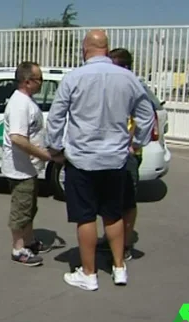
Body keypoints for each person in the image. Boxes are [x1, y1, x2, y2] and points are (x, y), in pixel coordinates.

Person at [46, 30, 155, 290]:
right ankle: (119, 268)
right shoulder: (128, 78)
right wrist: (137, 141)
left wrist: (55, 146)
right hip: (115, 159)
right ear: (106, 49)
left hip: (82, 159)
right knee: (113, 214)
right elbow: (146, 113)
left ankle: (89, 273)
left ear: (85, 49)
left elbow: (56, 117)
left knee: (85, 218)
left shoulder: (74, 78)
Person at [1, 61, 54, 266]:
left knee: (30, 207)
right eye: (39, 79)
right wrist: (44, 155)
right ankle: (18, 249)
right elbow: (17, 138)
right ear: (27, 81)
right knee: (21, 209)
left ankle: (30, 241)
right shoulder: (19, 104)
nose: (41, 83)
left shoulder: (27, 101)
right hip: (19, 169)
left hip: (29, 167)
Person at [96, 48, 146, 261]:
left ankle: (124, 245)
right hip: (109, 152)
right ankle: (111, 238)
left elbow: (144, 117)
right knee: (109, 200)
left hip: (126, 155)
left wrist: (132, 145)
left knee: (127, 202)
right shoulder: (115, 84)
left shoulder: (133, 86)